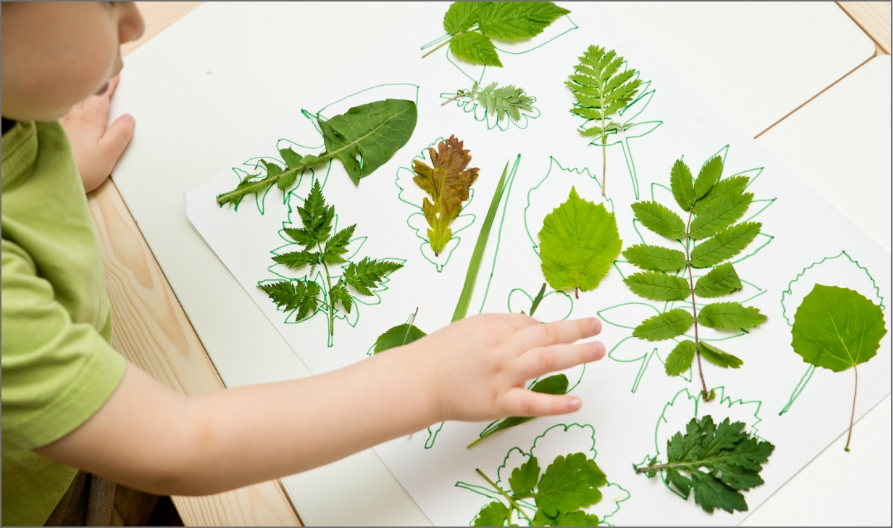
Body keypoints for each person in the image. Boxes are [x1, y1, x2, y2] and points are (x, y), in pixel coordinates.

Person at [1, 3, 607, 525]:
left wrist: (40, 161)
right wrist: (428, 382)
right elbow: (182, 446)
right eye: (105, 3)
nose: (133, 21)